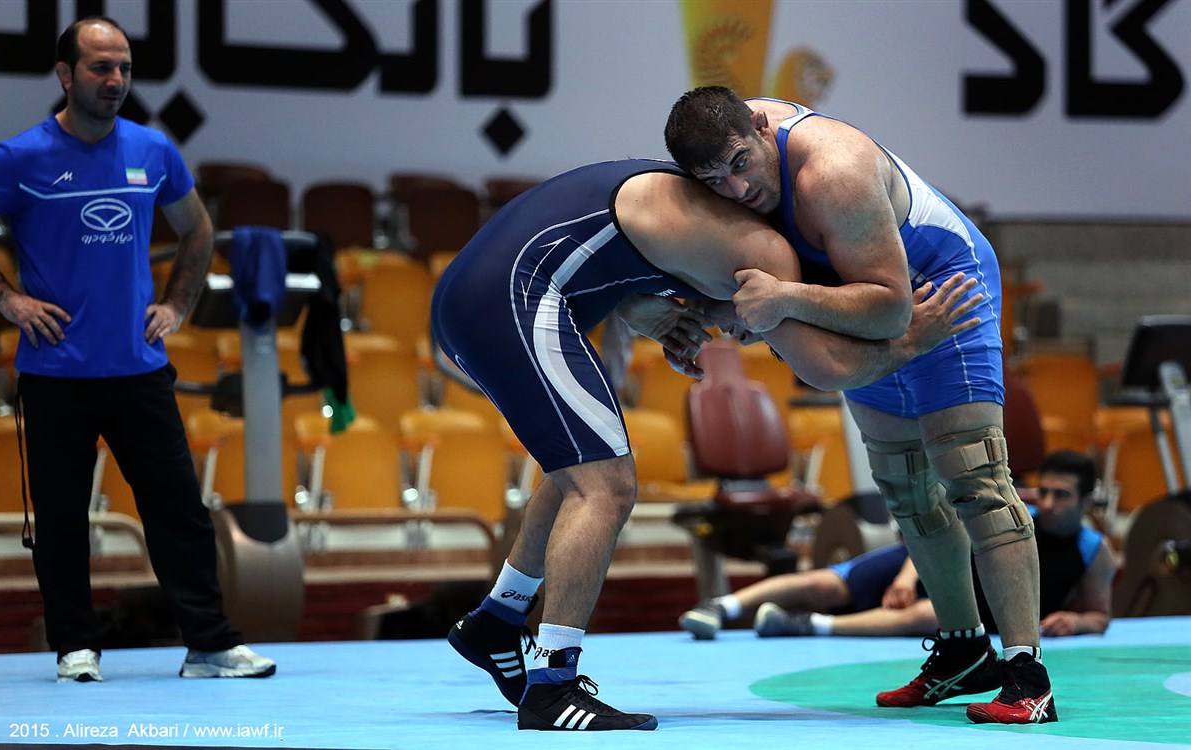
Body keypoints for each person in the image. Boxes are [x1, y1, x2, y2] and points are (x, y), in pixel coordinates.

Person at [435, 159, 981, 731]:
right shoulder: (764, 253)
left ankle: (497, 619)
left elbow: (609, 252)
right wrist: (910, 342)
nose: (744, 339)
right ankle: (552, 686)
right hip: (510, 299)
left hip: (491, 291)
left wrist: (649, 312)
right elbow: (826, 370)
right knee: (604, 487)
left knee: (579, 465)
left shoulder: (697, 215)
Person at [665, 86, 1055, 724]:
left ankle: (1027, 676)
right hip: (851, 301)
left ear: (761, 127)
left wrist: (786, 297)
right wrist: (680, 322)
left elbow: (893, 309)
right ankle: (964, 653)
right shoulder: (715, 173)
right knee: (907, 491)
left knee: (977, 482)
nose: (736, 189)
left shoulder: (833, 170)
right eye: (714, 181)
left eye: (740, 163)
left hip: (939, 292)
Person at [0, 16, 274, 683]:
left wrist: (175, 305)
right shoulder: (18, 158)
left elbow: (198, 231)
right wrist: (9, 300)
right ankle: (75, 648)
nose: (115, 79)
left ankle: (209, 645)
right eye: (100, 67)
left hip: (139, 371)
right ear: (66, 75)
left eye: (122, 67)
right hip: (55, 373)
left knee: (179, 513)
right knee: (62, 521)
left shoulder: (153, 149)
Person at [680, 450, 1114, 647]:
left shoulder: (1095, 552)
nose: (1048, 503)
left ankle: (802, 625)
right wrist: (908, 578)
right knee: (826, 585)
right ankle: (722, 606)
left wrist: (1077, 622)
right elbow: (943, 542)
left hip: (966, 606)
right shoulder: (1012, 519)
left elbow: (1100, 616)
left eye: (1062, 496)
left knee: (934, 614)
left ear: (1087, 502)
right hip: (922, 565)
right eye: (1044, 492)